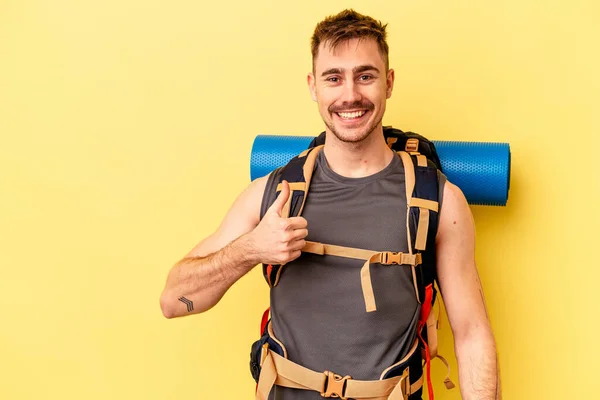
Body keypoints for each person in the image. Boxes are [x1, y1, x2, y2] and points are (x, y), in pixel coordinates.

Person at [160, 9, 500, 400]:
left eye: (366, 75)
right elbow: (173, 301)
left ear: (388, 83)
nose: (350, 94)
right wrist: (251, 248)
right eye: (333, 78)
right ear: (313, 86)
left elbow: (473, 336)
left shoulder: (439, 201)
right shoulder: (272, 194)